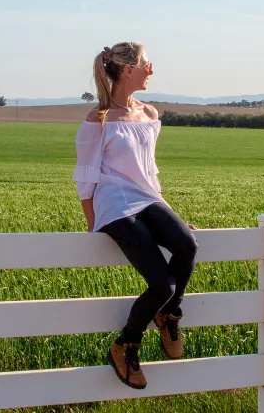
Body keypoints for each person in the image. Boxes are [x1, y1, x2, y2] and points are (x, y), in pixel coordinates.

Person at [74, 41, 197, 390]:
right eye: (146, 64)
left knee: (187, 244)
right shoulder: (98, 121)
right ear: (129, 70)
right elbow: (86, 177)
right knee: (163, 283)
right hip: (114, 206)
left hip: (147, 199)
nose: (151, 69)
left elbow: (149, 170)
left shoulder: (150, 115)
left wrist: (169, 214)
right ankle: (126, 344)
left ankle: (169, 314)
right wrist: (92, 222)